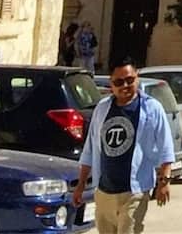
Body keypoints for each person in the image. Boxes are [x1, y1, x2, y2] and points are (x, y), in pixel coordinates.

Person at [72, 65, 175, 234]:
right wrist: (81, 185)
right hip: (104, 192)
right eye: (119, 82)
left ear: (137, 78)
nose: (125, 86)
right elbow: (90, 150)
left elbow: (166, 146)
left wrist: (164, 182)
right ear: (111, 85)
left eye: (130, 80)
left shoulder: (151, 108)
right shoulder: (102, 108)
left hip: (135, 191)